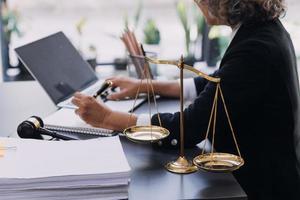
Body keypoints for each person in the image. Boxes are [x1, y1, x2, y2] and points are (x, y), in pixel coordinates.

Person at [72, 0, 300, 199]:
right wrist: (146, 86)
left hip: (263, 187)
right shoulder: (263, 31)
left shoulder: (255, 48)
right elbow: (216, 81)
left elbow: (190, 128)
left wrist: (109, 117)